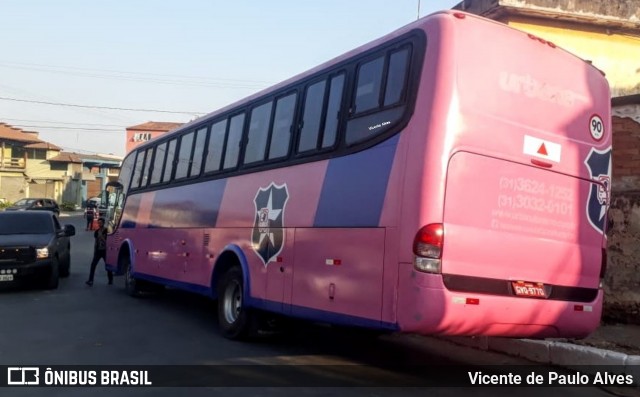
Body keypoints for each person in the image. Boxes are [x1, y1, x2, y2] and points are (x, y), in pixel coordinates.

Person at [85, 218, 113, 286]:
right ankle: (90, 280)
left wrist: (102, 237)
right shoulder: (97, 231)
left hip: (105, 251)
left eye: (101, 223)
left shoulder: (107, 231)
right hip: (98, 250)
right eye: (98, 223)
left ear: (103, 223)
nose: (99, 224)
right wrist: (95, 251)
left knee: (108, 265)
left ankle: (110, 279)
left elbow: (108, 242)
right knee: (93, 265)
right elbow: (96, 242)